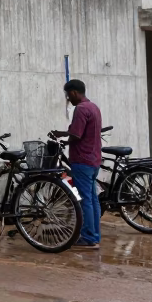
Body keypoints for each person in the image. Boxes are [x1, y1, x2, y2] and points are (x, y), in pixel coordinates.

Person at [51, 79, 102, 250]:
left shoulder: (80, 109)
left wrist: (62, 135)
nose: (68, 99)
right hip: (94, 160)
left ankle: (88, 238)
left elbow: (77, 135)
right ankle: (95, 235)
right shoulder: (93, 107)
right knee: (93, 199)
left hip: (82, 160)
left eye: (68, 95)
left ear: (73, 92)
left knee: (86, 200)